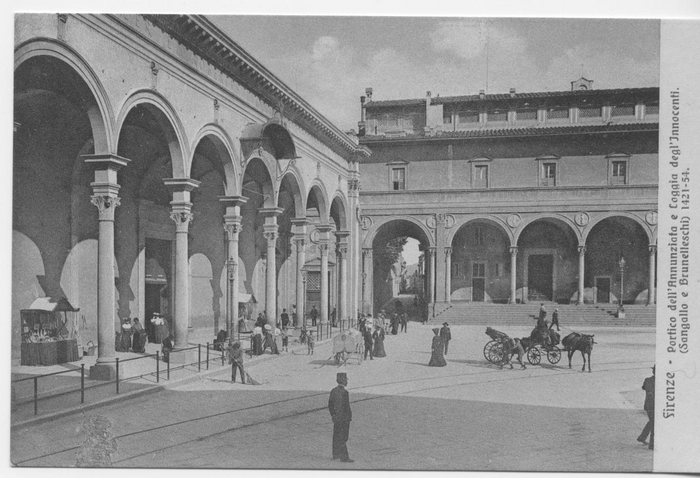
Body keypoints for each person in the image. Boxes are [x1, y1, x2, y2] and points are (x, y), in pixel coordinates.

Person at [328, 372, 353, 463]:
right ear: (343, 380)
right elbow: (346, 407)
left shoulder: (333, 391)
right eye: (346, 379)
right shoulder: (345, 392)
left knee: (336, 436)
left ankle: (336, 454)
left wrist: (333, 415)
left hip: (336, 418)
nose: (347, 381)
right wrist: (349, 417)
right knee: (343, 437)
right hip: (344, 418)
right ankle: (344, 457)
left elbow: (330, 404)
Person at [637, 365, 655, 450]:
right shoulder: (661, 381)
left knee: (651, 421)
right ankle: (652, 445)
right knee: (654, 423)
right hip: (655, 406)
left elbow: (643, 387)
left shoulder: (647, 380)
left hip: (648, 406)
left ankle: (642, 437)